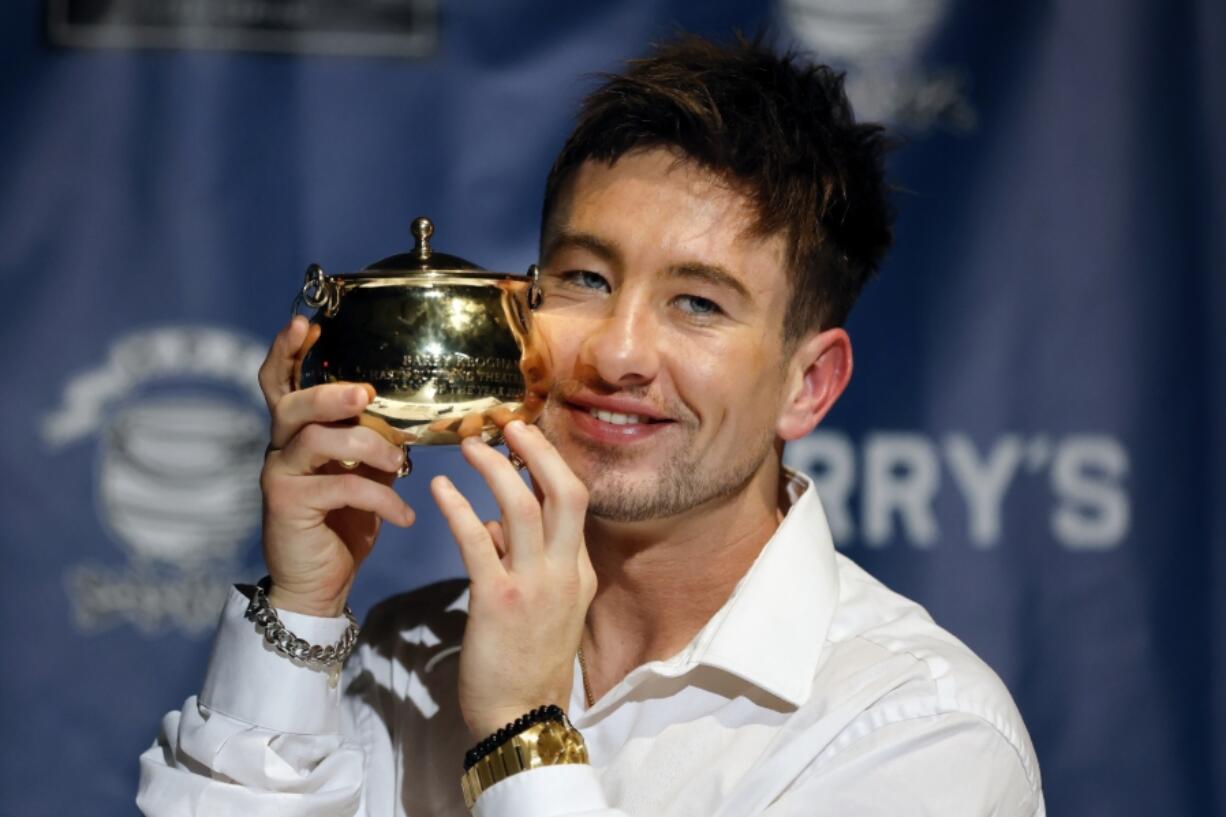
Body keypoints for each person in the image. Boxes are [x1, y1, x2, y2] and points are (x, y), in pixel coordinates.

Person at [138, 35, 1045, 817]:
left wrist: (523, 732)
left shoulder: (916, 726)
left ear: (808, 385)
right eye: (585, 280)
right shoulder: (399, 652)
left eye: (697, 303)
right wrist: (302, 612)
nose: (618, 354)